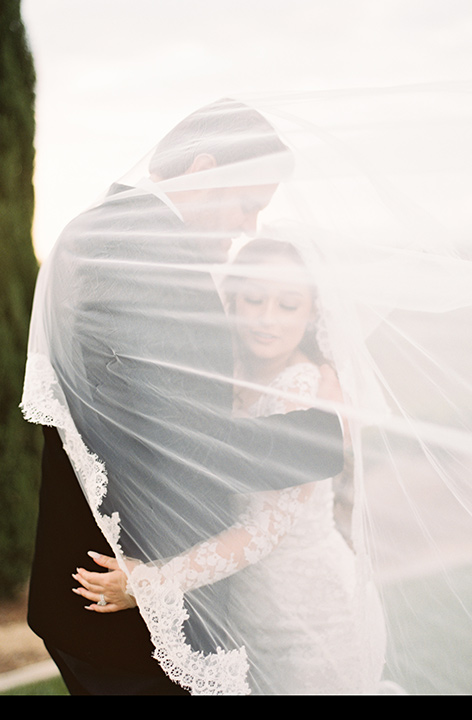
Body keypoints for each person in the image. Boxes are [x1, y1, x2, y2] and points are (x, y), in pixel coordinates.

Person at [21, 99, 345, 696]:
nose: (250, 226)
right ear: (202, 170)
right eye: (249, 204)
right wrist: (329, 433)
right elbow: (183, 434)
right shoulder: (132, 253)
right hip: (125, 604)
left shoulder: (114, 231)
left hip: (121, 588)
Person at [73, 236, 387, 695]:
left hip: (311, 615)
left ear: (311, 312)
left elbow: (262, 531)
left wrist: (151, 582)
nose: (266, 319)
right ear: (232, 298)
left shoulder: (306, 390)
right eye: (254, 299)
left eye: (287, 304)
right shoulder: (224, 368)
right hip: (246, 608)